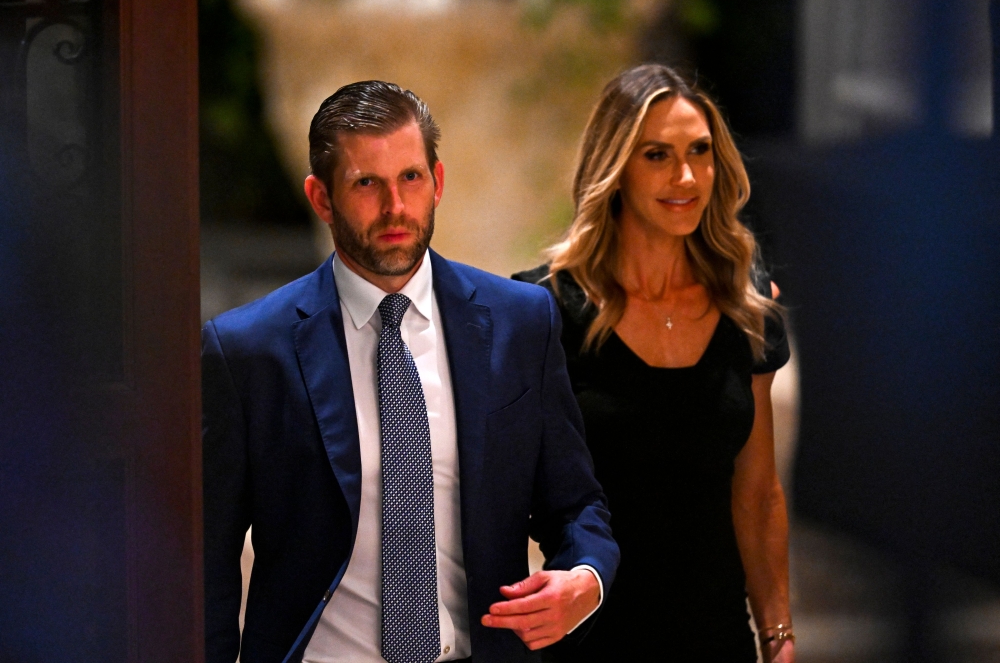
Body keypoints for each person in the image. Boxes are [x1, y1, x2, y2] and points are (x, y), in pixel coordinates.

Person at [202, 81, 619, 663]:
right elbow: (207, 560)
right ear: (321, 198)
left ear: (438, 182)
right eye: (367, 183)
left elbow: (574, 503)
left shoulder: (520, 322)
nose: (395, 207)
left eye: (411, 178)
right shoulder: (246, 349)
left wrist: (585, 577)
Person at [514, 64, 795, 662]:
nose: (687, 176)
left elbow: (758, 493)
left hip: (715, 636)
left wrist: (779, 635)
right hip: (588, 639)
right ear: (615, 169)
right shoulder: (544, 310)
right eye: (657, 155)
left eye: (700, 151)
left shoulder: (746, 306)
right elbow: (508, 491)